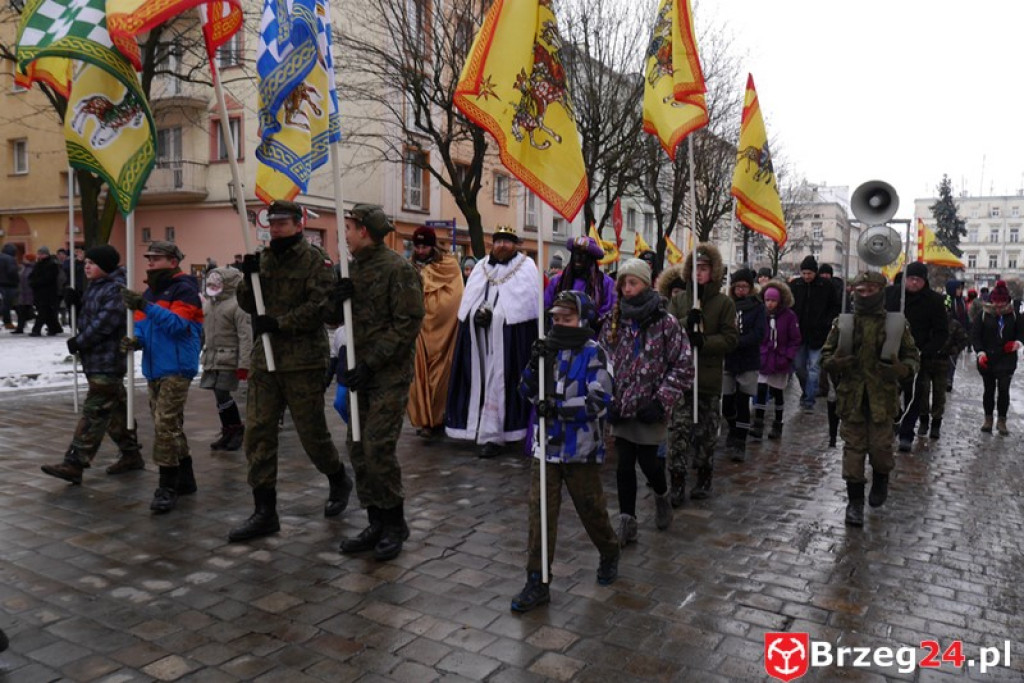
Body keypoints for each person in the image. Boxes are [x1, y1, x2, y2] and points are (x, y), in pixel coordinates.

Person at [228, 200, 354, 542]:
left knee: (311, 433)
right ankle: (264, 511)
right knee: (258, 431)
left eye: (284, 222)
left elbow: (321, 308)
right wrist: (248, 277)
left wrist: (280, 323)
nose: (277, 228)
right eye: (274, 222)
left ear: (299, 224)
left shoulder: (315, 261)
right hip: (265, 359)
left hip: (302, 360)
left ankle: (338, 477)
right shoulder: (264, 258)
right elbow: (247, 302)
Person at [510, 291, 619, 613]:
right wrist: (533, 364)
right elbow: (524, 390)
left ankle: (610, 550)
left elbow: (599, 401)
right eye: (556, 318)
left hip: (580, 450)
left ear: (583, 320)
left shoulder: (595, 353)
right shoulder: (546, 350)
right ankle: (537, 579)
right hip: (546, 448)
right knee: (540, 514)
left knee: (591, 509)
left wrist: (558, 407)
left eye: (567, 319)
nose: (560, 324)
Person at [327, 203, 424, 561]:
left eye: (349, 227)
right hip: (358, 372)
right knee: (357, 446)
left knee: (378, 446)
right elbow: (335, 320)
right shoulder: (349, 269)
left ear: (364, 230)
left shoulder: (398, 270)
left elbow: (408, 324)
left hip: (387, 374)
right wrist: (335, 302)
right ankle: (375, 520)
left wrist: (371, 362)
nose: (346, 234)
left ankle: (395, 522)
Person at [601, 259, 692, 543]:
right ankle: (627, 522)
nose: (627, 289)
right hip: (622, 407)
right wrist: (607, 399)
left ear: (646, 284)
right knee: (624, 464)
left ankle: (662, 496)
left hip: (651, 408)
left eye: (633, 283)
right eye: (623, 283)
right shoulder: (614, 320)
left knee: (649, 463)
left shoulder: (666, 323)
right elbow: (601, 362)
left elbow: (683, 366)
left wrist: (662, 400)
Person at [821, 271, 920, 527]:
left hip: (881, 399)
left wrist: (901, 369)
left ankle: (880, 479)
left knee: (880, 450)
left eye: (870, 290)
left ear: (880, 291)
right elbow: (825, 355)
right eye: (860, 290)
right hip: (852, 398)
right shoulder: (843, 323)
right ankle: (854, 503)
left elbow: (912, 357)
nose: (864, 295)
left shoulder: (895, 323)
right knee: (853, 453)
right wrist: (835, 363)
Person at [40, 245, 143, 484]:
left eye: (93, 263)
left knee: (95, 412)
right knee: (117, 413)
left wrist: (79, 342)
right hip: (95, 360)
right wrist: (75, 301)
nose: (86, 266)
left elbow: (103, 324)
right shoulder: (96, 287)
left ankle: (74, 462)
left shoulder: (116, 290)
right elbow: (90, 317)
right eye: (86, 262)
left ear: (106, 266)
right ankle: (131, 454)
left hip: (107, 361)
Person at [121, 241, 203, 513]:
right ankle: (186, 477)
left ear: (172, 261)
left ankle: (167, 486)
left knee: (164, 425)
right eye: (149, 258)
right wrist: (136, 341)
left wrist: (145, 305)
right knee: (169, 425)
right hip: (155, 367)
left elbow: (178, 326)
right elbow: (145, 327)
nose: (150, 262)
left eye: (156, 258)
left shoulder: (185, 289)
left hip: (178, 366)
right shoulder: (151, 291)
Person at [445, 226, 540, 458]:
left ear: (515, 245)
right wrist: (476, 316)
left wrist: (496, 318)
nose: (502, 246)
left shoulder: (526, 267)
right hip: (480, 343)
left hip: (508, 345)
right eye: (498, 241)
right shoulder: (480, 267)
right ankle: (477, 428)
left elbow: (524, 307)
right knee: (478, 382)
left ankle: (497, 435)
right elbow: (470, 302)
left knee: (502, 384)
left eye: (508, 241)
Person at [663, 243, 738, 502]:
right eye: (695, 268)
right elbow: (667, 332)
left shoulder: (724, 303)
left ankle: (704, 477)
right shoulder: (678, 300)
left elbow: (730, 339)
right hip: (680, 381)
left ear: (713, 271)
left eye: (704, 269)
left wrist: (704, 341)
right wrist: (686, 324)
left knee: (706, 434)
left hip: (707, 379)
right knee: (678, 432)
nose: (699, 273)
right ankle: (677, 481)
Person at [407, 226, 464, 440]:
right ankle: (423, 421)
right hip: (418, 332)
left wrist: (434, 311)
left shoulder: (448, 266)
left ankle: (438, 417)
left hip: (443, 332)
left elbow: (455, 297)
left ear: (433, 246)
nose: (421, 250)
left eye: (425, 246)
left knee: (440, 379)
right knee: (417, 379)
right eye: (417, 246)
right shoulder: (409, 267)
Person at [885, 261, 947, 451]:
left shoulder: (934, 301)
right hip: (890, 353)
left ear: (924, 281)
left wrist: (927, 351)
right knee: (889, 394)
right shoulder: (892, 294)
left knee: (914, 397)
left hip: (918, 356)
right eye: (910, 279)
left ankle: (907, 433)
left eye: (917, 280)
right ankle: (896, 419)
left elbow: (941, 332)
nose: (913, 283)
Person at [200, 267, 252, 451]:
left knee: (223, 392)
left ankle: (237, 428)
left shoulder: (237, 306)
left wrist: (244, 363)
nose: (212, 286)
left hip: (230, 357)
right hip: (212, 357)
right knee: (218, 394)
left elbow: (246, 336)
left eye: (217, 282)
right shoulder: (209, 305)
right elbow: (204, 332)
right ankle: (228, 429)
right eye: (211, 282)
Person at [720, 268, 765, 462]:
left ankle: (740, 441)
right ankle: (732, 427)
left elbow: (759, 332)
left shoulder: (757, 306)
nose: (741, 290)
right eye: (738, 286)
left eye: (745, 286)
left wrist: (739, 341)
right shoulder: (727, 304)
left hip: (747, 358)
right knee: (727, 402)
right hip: (728, 358)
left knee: (742, 400)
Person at [971, 280, 1024, 435]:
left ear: (1007, 301)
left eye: (1001, 303)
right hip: (987, 358)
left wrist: (1017, 343)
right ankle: (988, 419)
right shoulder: (984, 314)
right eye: (996, 302)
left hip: (1007, 359)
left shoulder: (1014, 315)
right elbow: (976, 335)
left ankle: (1002, 420)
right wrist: (980, 352)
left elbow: (1022, 333)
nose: (998, 306)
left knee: (1003, 389)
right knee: (989, 390)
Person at [751, 279, 801, 441]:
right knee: (761, 390)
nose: (770, 304)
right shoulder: (761, 314)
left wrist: (787, 356)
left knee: (778, 392)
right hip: (763, 358)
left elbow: (794, 339)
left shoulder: (789, 316)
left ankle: (778, 423)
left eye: (773, 300)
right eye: (767, 300)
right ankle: (758, 423)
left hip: (780, 359)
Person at [789, 255, 840, 410]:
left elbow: (834, 306)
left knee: (814, 369)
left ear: (815, 272)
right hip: (799, 335)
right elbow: (789, 306)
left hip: (819, 335)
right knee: (799, 367)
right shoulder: (796, 285)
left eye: (809, 273)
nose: (806, 276)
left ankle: (809, 400)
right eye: (804, 273)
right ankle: (806, 391)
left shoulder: (826, 286)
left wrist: (826, 322)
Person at [544, 236, 616, 332]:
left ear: (591, 259)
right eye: (575, 254)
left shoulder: (605, 283)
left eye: (583, 255)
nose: (578, 259)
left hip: (592, 339)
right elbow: (546, 307)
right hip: (560, 339)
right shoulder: (557, 282)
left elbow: (610, 314)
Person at [28, 246, 63, 336]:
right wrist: (32, 282)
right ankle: (55, 328)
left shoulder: (51, 264)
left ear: (45, 254)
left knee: (43, 312)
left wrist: (35, 282)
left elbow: (48, 278)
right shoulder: (39, 264)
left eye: (40, 254)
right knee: (47, 312)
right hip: (39, 292)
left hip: (47, 292)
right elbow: (32, 275)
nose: (38, 256)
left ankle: (36, 330)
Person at [944, 279, 970, 392]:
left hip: (959, 335)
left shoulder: (962, 301)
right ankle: (947, 380)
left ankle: (949, 379)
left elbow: (965, 317)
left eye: (961, 288)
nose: (960, 291)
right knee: (948, 358)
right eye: (958, 288)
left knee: (954, 357)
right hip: (949, 334)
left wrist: (967, 330)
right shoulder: (948, 300)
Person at [12, 253, 35, 334]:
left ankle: (21, 327)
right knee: (21, 311)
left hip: (29, 293)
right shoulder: (23, 268)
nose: (23, 259)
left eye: (25, 258)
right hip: (22, 293)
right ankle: (20, 328)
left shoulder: (32, 268)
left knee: (26, 311)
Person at [0, 244, 18, 330]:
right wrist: (17, 280)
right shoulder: (10, 259)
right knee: (6, 305)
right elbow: (12, 271)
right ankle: (7, 322)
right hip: (9, 284)